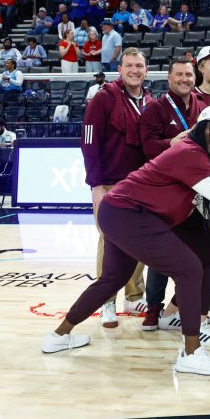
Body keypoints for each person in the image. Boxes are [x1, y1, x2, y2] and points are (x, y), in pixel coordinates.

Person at [43, 104, 210, 376]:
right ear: (199, 129)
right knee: (188, 268)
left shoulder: (198, 155)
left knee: (117, 278)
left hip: (126, 213)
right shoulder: (189, 151)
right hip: (129, 215)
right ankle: (191, 352)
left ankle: (58, 336)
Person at [81, 48, 152, 327]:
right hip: (110, 183)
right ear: (119, 69)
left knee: (140, 241)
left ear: (146, 70)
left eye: (140, 66)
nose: (135, 70)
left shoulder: (148, 100)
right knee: (110, 241)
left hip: (141, 183)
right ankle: (106, 300)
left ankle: (134, 296)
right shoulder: (103, 98)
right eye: (130, 65)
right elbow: (88, 142)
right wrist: (96, 185)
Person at [137, 57, 206, 330]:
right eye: (179, 74)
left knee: (193, 251)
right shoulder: (155, 109)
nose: (184, 79)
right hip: (163, 192)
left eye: (188, 75)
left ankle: (180, 305)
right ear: (169, 78)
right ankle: (153, 308)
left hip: (193, 191)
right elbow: (146, 147)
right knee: (161, 254)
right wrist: (171, 143)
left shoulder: (200, 106)